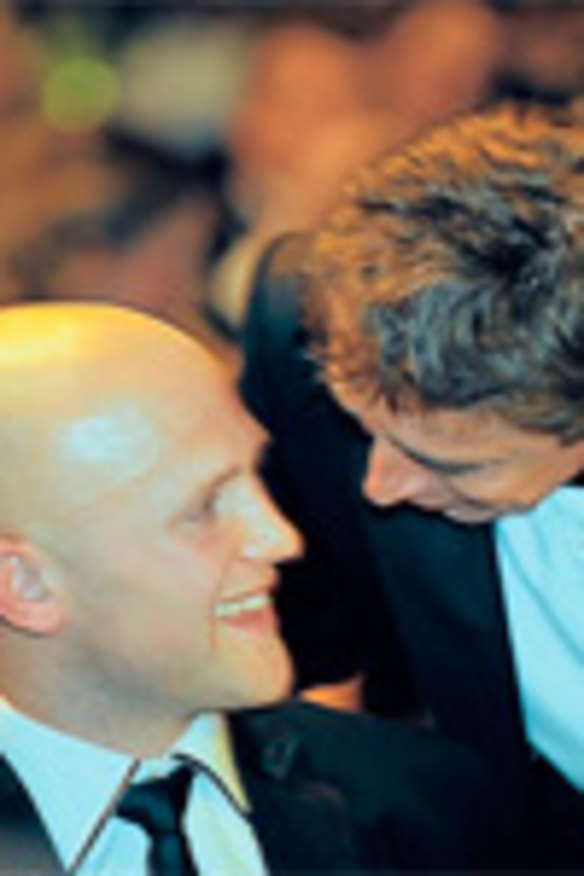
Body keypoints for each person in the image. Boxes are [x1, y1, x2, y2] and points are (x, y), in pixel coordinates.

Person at [0, 302, 501, 873]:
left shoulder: (423, 801)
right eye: (205, 509)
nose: (281, 538)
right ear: (26, 586)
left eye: (257, 476)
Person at [242, 103, 584, 868]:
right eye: (365, 431)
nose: (381, 487)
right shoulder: (297, 321)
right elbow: (304, 630)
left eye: (455, 466)